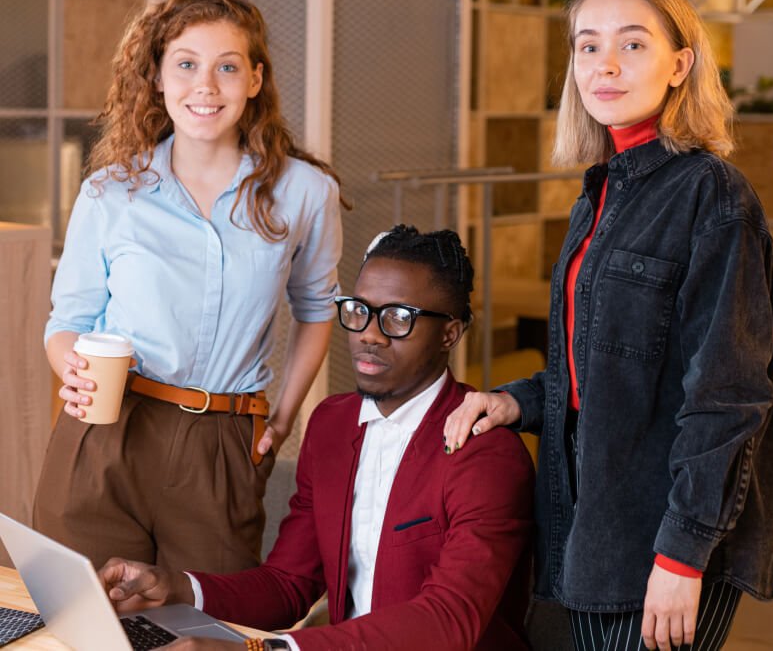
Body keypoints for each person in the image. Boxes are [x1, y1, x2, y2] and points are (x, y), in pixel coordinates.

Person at [444, 0, 773, 651]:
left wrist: (683, 554)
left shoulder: (712, 195)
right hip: (590, 523)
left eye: (632, 44)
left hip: (665, 535)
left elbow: (728, 397)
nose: (605, 65)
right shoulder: (599, 193)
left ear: (680, 65)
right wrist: (517, 401)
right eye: (588, 45)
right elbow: (604, 366)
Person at [99, 225, 536, 650]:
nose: (369, 334)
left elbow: (448, 622)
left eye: (398, 318)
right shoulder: (332, 424)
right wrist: (174, 588)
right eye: (359, 310)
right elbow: (289, 584)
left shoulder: (487, 453)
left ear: (449, 334)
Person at [33, 0, 344, 574]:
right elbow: (67, 321)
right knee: (85, 615)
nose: (206, 86)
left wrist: (284, 416)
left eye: (227, 66)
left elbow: (316, 308)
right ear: (156, 76)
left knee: (208, 619)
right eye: (185, 64)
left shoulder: (305, 192)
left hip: (222, 441)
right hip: (107, 429)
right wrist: (71, 369)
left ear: (254, 80)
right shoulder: (109, 192)